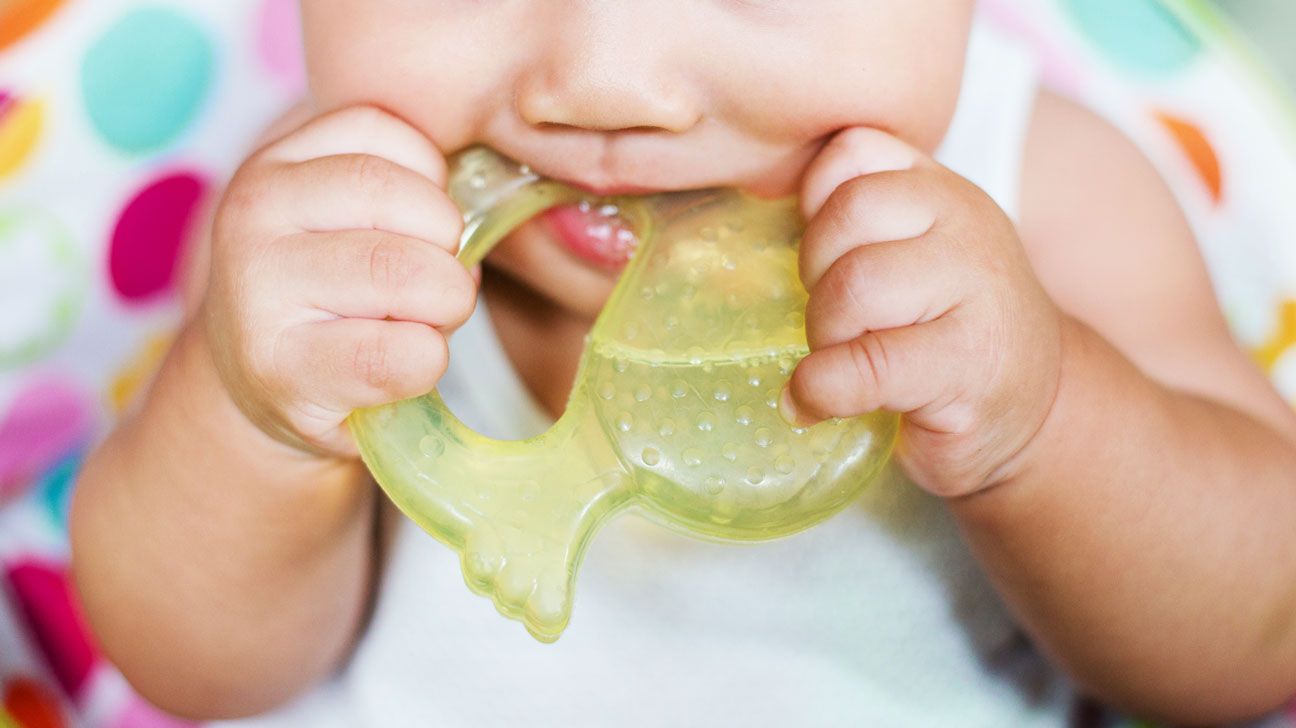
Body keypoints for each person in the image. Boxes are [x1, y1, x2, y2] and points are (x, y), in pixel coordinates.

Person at [69, 1, 1296, 725]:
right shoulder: (327, 222)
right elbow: (200, 667)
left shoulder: (1040, 191)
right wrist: (252, 417)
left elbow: (1258, 633)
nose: (606, 85)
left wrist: (1048, 419)